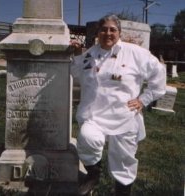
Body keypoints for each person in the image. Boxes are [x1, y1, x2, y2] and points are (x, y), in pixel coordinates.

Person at [71, 14, 166, 196]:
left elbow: (159, 73)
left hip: (124, 116)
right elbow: (75, 72)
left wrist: (144, 99)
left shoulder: (135, 53)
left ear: (119, 32)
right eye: (103, 29)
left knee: (123, 160)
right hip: (94, 115)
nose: (108, 33)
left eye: (112, 29)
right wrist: (76, 52)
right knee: (87, 138)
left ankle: (122, 192)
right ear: (98, 32)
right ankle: (93, 176)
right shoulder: (91, 53)